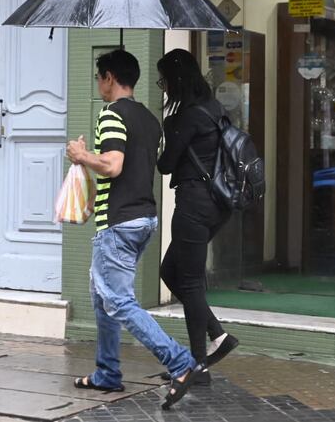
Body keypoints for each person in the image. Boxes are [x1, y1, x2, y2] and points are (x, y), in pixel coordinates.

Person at [66, 49, 203, 410]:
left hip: (119, 221)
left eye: (99, 77)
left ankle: (180, 361)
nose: (98, 85)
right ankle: (107, 373)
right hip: (144, 218)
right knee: (103, 298)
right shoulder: (149, 118)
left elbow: (112, 165)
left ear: (109, 77)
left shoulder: (111, 113)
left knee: (119, 300)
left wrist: (81, 156)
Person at [155, 48, 239, 384]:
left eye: (163, 79)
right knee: (171, 271)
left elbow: (165, 165)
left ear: (176, 80)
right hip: (219, 204)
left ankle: (196, 367)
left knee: (187, 280)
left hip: (194, 204)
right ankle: (219, 337)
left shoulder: (186, 117)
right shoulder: (216, 109)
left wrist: (166, 131)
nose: (161, 86)